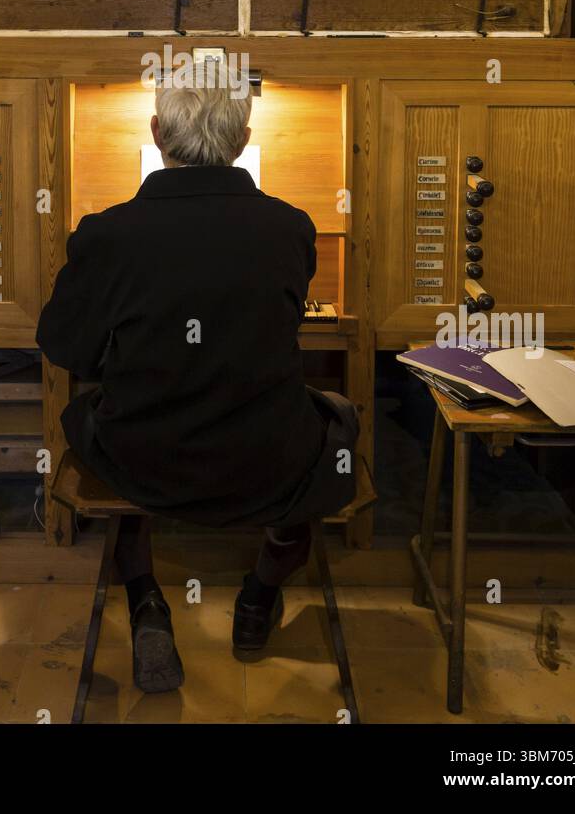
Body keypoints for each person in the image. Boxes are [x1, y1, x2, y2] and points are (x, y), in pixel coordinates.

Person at [36, 75, 359, 694]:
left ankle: (146, 604)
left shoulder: (107, 233)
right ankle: (259, 596)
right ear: (243, 138)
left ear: (156, 134)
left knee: (100, 416)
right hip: (267, 460)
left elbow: (64, 348)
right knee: (339, 416)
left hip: (145, 458)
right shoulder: (290, 227)